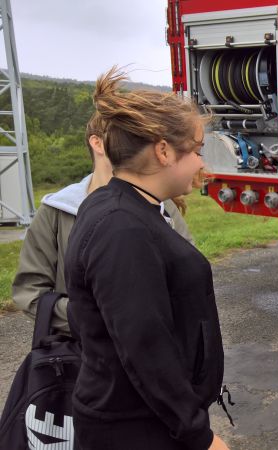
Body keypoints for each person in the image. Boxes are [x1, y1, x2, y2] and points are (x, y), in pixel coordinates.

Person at [64, 68, 228, 450]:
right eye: (197, 151)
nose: (201, 164)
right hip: (137, 429)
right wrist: (198, 435)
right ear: (164, 151)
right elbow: (145, 345)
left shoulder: (123, 207)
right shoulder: (122, 227)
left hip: (143, 420)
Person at [12, 113, 192, 334]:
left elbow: (189, 279)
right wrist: (91, 319)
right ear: (97, 143)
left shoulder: (162, 204)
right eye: (126, 136)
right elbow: (29, 292)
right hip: (80, 350)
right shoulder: (56, 210)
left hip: (153, 343)